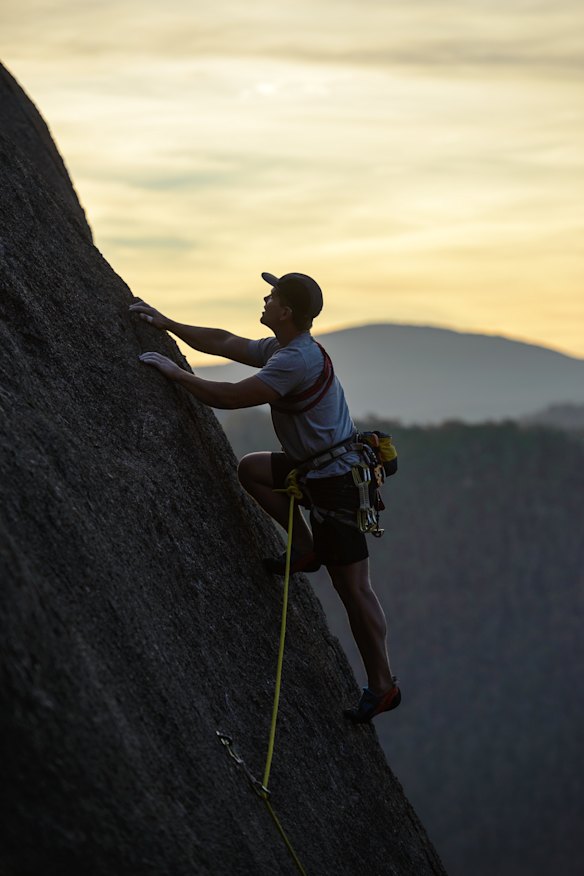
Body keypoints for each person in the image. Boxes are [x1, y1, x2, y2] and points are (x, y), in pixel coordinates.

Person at [129, 272, 400, 722]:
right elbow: (225, 341)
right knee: (251, 470)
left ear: (286, 311)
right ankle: (308, 548)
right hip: (313, 467)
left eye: (272, 296)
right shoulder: (284, 349)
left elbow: (233, 397)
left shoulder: (295, 361)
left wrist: (175, 374)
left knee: (353, 589)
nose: (265, 299)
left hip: (336, 481)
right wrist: (167, 324)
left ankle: (384, 686)